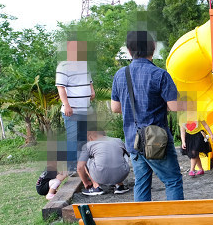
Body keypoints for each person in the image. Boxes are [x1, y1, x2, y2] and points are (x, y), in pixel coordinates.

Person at [111, 30, 184, 202]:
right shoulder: (160, 74)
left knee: (142, 183)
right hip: (157, 140)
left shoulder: (121, 74)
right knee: (172, 181)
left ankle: (142, 223)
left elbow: (115, 108)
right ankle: (177, 222)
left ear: (129, 50)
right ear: (153, 48)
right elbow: (173, 106)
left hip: (133, 140)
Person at [56, 38, 95, 172]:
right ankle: (72, 167)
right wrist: (66, 105)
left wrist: (92, 90)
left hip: (86, 108)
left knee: (84, 137)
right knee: (72, 138)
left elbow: (89, 80)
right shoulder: (63, 66)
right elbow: (60, 88)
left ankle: (83, 164)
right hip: (72, 110)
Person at [76, 129, 131, 196]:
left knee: (84, 159)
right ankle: (120, 185)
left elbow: (80, 167)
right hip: (122, 175)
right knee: (120, 154)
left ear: (89, 136)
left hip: (100, 176)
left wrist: (86, 183)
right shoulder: (118, 140)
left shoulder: (89, 145)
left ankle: (96, 187)